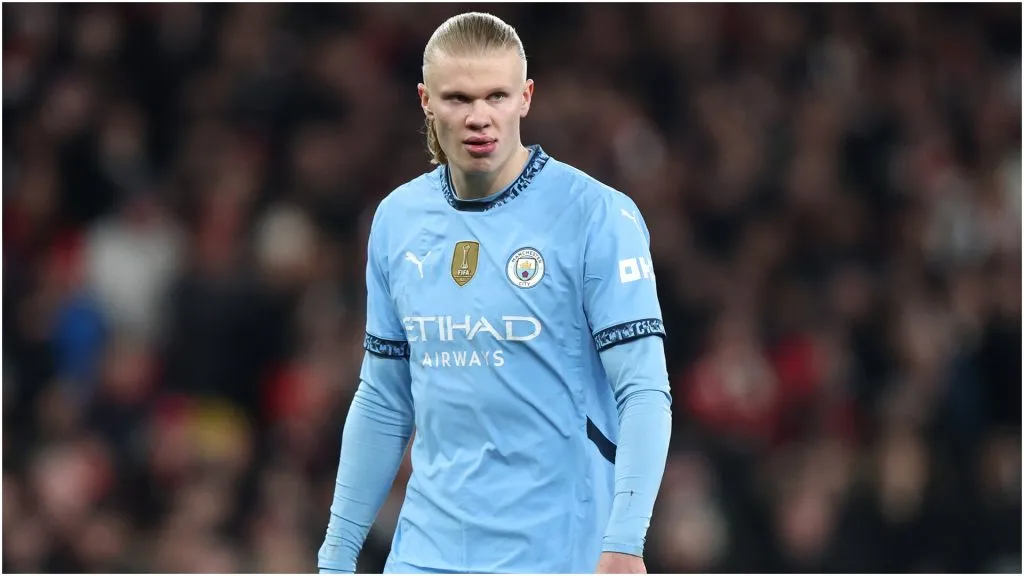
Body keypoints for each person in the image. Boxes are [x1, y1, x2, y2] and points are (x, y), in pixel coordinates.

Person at [318, 11, 672, 574]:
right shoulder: (397, 220)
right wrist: (336, 555)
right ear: (425, 101)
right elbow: (384, 399)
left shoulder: (596, 216)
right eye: (458, 98)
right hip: (426, 553)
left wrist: (626, 542)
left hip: (558, 552)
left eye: (497, 96)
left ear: (526, 98)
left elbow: (644, 391)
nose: (479, 117)